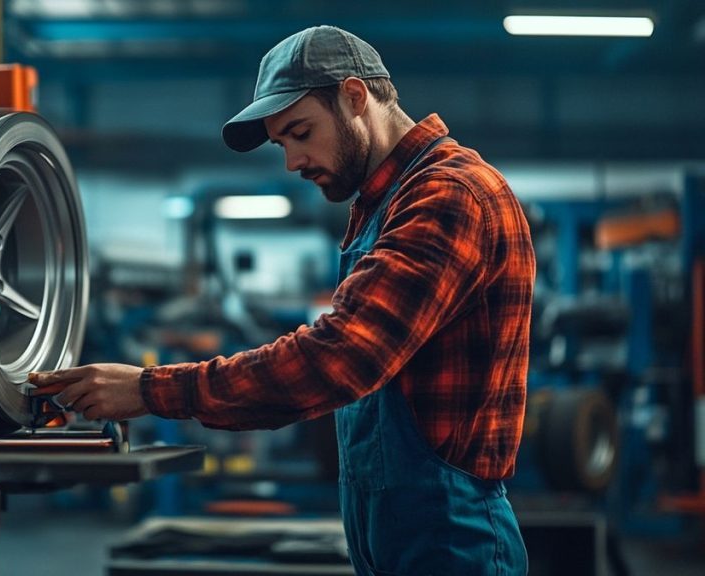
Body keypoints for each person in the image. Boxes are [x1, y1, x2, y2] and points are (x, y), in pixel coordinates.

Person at [30, 25, 533, 576]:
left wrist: (150, 389)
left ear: (354, 97)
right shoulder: (385, 204)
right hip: (398, 530)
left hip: (449, 538)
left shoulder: (447, 198)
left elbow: (338, 359)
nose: (293, 161)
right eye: (282, 143)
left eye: (300, 132)